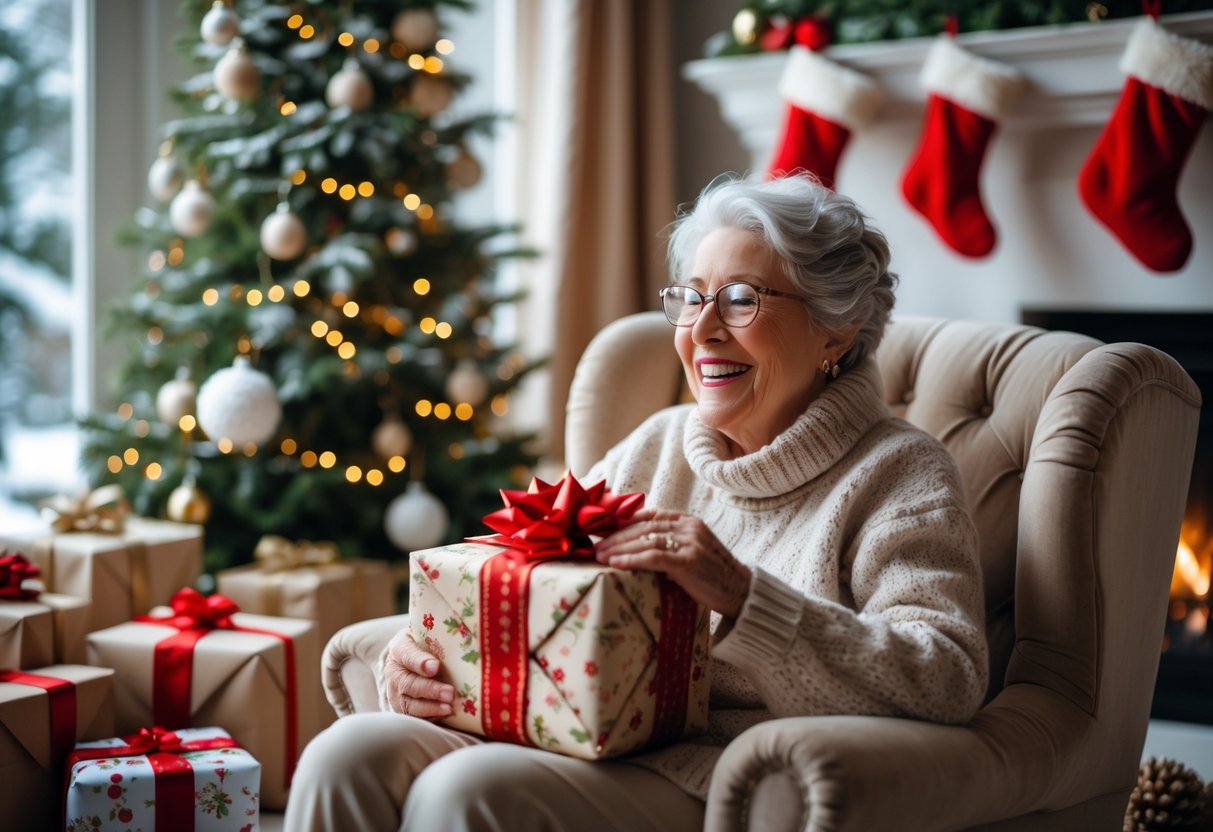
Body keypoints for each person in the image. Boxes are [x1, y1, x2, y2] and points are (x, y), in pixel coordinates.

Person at [283, 173, 988, 831]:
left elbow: (945, 677)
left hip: (716, 769)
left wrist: (744, 598)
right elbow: (540, 586)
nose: (702, 328)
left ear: (835, 329)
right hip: (579, 730)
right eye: (690, 295)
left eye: (741, 298)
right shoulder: (658, 444)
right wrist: (430, 655)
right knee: (346, 752)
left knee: (462, 791)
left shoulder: (900, 472)